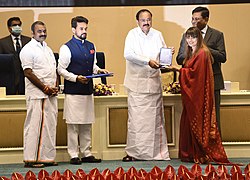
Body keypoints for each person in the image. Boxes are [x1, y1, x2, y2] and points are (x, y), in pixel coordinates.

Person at [172, 27, 230, 164]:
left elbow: (195, 75)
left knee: (199, 124)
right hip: (193, 96)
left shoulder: (202, 53)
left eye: (194, 37)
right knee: (188, 123)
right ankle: (191, 153)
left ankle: (201, 153)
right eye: (188, 37)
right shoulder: (191, 52)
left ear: (199, 38)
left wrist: (178, 70)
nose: (190, 40)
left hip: (199, 96)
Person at [122, 9, 173, 161]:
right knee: (137, 123)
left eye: (149, 19)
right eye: (143, 20)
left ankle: (156, 154)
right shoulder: (132, 34)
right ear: (137, 21)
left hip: (153, 85)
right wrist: (147, 61)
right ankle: (134, 153)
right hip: (137, 86)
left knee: (154, 123)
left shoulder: (157, 34)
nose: (146, 22)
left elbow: (162, 59)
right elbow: (128, 54)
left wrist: (168, 54)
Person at [58, 16, 108, 165]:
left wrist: (99, 70)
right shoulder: (66, 47)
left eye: (85, 28)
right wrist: (75, 78)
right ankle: (73, 154)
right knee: (73, 125)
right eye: (81, 29)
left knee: (86, 123)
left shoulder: (91, 45)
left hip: (87, 90)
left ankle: (86, 152)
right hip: (73, 91)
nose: (84, 31)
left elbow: (93, 66)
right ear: (73, 29)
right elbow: (60, 69)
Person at [176, 6, 227, 133]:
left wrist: (204, 49)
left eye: (197, 19)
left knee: (213, 119)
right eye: (192, 19)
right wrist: (193, 53)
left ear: (206, 19)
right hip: (192, 84)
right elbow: (179, 58)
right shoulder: (186, 36)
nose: (194, 22)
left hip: (212, 82)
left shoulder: (217, 35)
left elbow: (222, 57)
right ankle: (196, 148)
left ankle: (213, 150)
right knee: (193, 118)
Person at [20, 21, 59, 168]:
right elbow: (27, 72)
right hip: (38, 94)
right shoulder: (28, 49)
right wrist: (44, 88)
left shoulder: (47, 48)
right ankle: (32, 159)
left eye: (44, 30)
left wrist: (55, 87)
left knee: (49, 126)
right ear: (32, 33)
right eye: (39, 31)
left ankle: (46, 157)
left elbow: (53, 69)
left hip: (50, 94)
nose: (42, 33)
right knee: (35, 126)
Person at [0, 17, 31, 95]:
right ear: (9, 28)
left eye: (19, 25)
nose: (17, 27)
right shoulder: (2, 42)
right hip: (9, 79)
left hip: (25, 78)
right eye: (14, 25)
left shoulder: (28, 41)